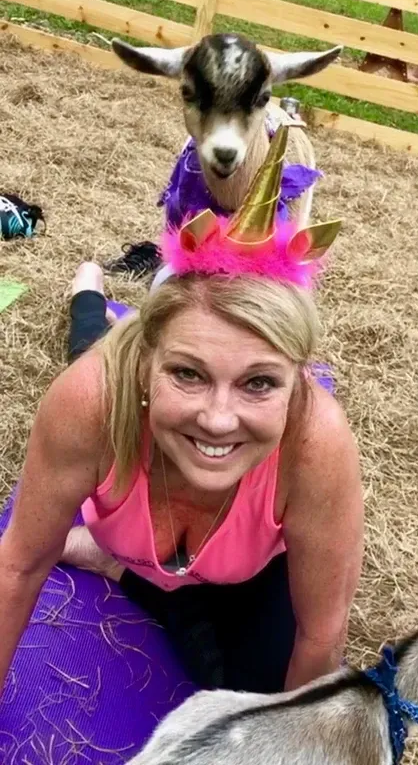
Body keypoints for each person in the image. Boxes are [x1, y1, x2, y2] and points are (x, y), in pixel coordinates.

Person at [0, 127, 363, 697]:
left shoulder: (315, 443)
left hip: (249, 573)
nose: (218, 419)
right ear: (147, 361)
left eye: (259, 383)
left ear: (296, 378)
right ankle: (89, 288)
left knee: (256, 689)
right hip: (121, 389)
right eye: (188, 373)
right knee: (90, 347)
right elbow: (17, 567)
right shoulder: (95, 397)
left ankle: (127, 561)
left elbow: (322, 635)